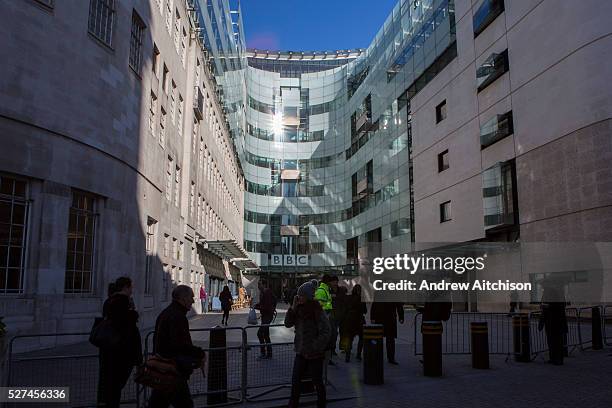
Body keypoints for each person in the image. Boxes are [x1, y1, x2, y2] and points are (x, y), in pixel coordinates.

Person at [149, 285, 206, 408]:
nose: (193, 300)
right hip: (172, 369)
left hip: (165, 367)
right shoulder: (177, 316)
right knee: (184, 404)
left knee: (158, 403)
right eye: (191, 297)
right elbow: (180, 344)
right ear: (183, 298)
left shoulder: (168, 313)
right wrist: (199, 353)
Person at [98, 277, 142, 408]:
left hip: (109, 350)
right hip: (120, 352)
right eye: (131, 288)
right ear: (126, 287)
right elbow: (127, 327)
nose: (132, 291)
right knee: (114, 387)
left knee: (108, 386)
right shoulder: (122, 302)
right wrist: (133, 313)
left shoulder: (109, 301)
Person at [285, 281, 331, 408]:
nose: (299, 297)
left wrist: (315, 346)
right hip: (300, 352)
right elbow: (287, 323)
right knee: (295, 381)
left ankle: (321, 404)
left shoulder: (317, 311)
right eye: (298, 295)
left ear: (308, 296)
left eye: (301, 295)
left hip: (314, 354)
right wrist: (293, 308)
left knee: (317, 382)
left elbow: (326, 331)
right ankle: (293, 404)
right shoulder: (298, 309)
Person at [539, 286, 568, 365]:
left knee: (555, 341)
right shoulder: (556, 293)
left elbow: (555, 307)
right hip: (552, 322)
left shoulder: (552, 294)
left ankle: (557, 359)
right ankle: (554, 358)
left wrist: (545, 306)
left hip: (554, 322)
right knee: (553, 341)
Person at [340, 284, 367, 362]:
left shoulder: (348, 298)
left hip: (350, 320)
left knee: (349, 338)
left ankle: (347, 356)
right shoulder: (362, 299)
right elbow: (365, 311)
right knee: (361, 338)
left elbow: (345, 309)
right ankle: (358, 355)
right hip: (359, 320)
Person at [315, 275, 337, 365]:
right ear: (329, 282)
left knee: (330, 337)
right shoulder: (321, 290)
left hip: (327, 317)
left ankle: (327, 358)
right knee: (326, 338)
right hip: (324, 318)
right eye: (333, 281)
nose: (335, 283)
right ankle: (324, 358)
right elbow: (319, 306)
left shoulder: (326, 290)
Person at [254, 279, 277, 359]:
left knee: (260, 334)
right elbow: (263, 304)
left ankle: (264, 353)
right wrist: (257, 305)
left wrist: (257, 307)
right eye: (258, 284)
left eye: (259, 284)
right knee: (266, 335)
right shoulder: (263, 293)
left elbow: (266, 306)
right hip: (266, 316)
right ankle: (269, 353)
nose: (258, 286)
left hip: (267, 316)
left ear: (264, 284)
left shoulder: (267, 292)